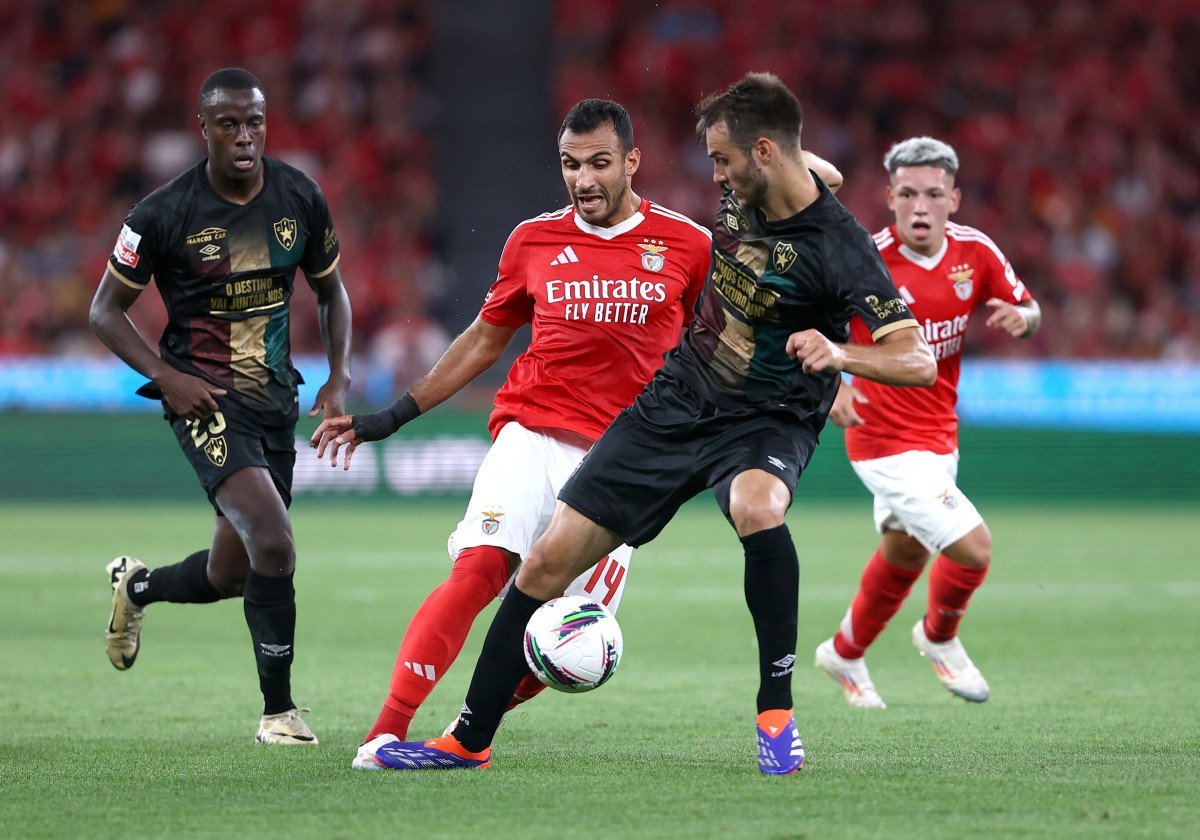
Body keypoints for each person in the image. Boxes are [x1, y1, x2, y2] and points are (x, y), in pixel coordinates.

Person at [355, 72, 937, 776]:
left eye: (722, 160)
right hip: (676, 400)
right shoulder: (751, 183)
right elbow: (814, 165)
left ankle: (776, 713)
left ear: (759, 154)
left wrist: (840, 353)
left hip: (766, 415)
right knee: (541, 563)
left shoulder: (843, 249)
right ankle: (466, 742)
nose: (713, 175)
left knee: (757, 507)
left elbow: (917, 360)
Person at [312, 98, 812, 769]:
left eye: (600, 163)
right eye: (571, 165)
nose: (584, 179)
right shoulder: (532, 240)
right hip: (531, 431)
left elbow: (735, 334)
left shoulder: (690, 245)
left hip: (624, 459)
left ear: (632, 162)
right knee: (479, 570)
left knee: (572, 641)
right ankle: (384, 735)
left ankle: (467, 726)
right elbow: (484, 341)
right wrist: (394, 415)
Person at [89, 67, 352, 745]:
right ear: (202, 128)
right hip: (203, 399)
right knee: (274, 541)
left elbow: (331, 292)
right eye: (229, 123)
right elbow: (104, 312)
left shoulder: (299, 197)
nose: (244, 136)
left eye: (255, 122)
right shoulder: (163, 213)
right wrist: (165, 378)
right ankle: (280, 713)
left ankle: (136, 589)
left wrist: (339, 376)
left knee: (232, 572)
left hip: (275, 403)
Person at [813, 136, 1041, 709]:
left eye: (933, 194)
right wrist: (827, 387)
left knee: (906, 553)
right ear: (889, 198)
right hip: (881, 439)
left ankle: (844, 650)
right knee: (973, 549)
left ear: (954, 199)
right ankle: (939, 638)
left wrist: (1025, 317)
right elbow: (807, 329)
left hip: (940, 436)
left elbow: (1031, 308)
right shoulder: (866, 259)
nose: (921, 206)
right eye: (908, 193)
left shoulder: (976, 253)